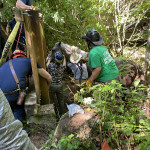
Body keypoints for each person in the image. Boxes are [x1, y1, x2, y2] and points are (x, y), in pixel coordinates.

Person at [0, 50, 52, 123]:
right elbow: (48, 77)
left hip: (2, 96)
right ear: (23, 55)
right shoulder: (29, 61)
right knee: (19, 108)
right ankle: (19, 129)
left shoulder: (4, 65)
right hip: (14, 94)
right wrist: (48, 87)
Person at [46, 52, 66, 119]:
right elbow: (64, 64)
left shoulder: (51, 65)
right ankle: (62, 114)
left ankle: (53, 115)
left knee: (52, 100)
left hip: (52, 85)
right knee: (61, 100)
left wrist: (49, 59)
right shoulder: (62, 67)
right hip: (60, 85)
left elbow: (47, 65)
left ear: (55, 59)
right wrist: (64, 58)